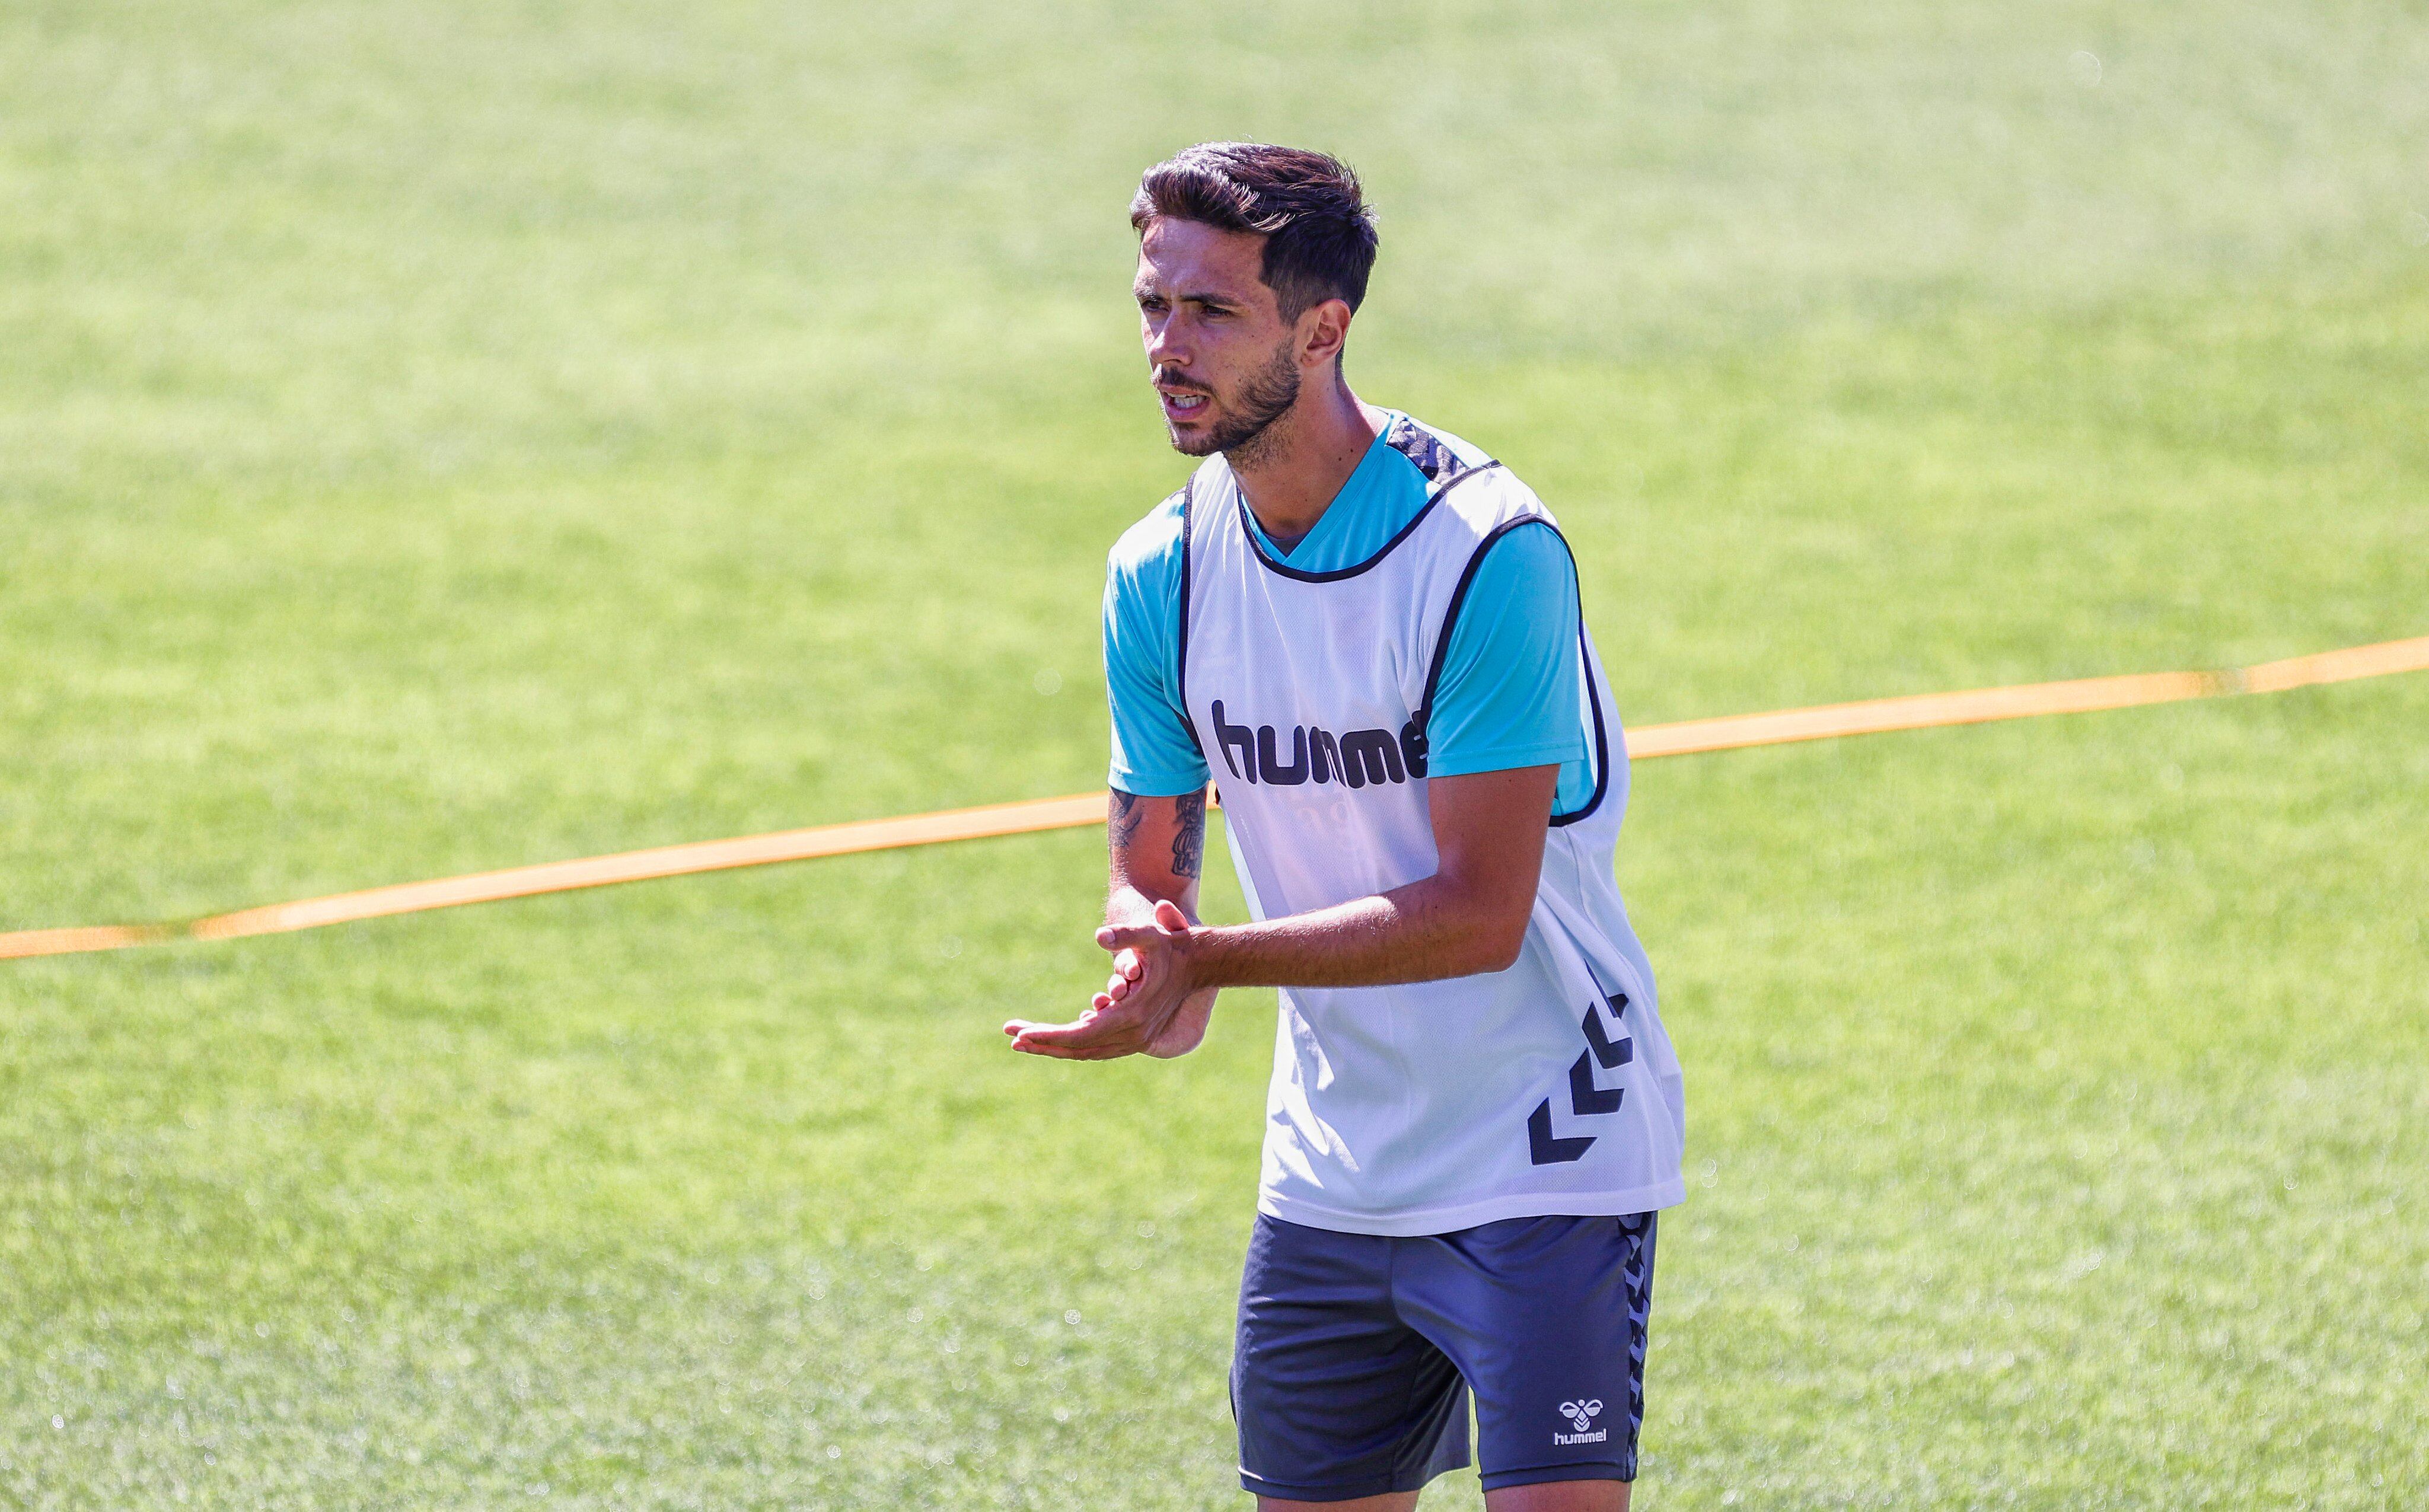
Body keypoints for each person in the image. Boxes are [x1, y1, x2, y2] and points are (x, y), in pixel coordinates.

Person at [1004, 143, 1685, 1512]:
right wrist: (1152, 964)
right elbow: (1154, 876)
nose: (1165, 348)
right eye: (1152, 307)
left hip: (1544, 1153)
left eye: (1210, 313)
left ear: (1322, 331)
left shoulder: (1485, 554)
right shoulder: (1161, 573)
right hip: (1331, 1176)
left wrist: (1215, 964)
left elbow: (1479, 914)